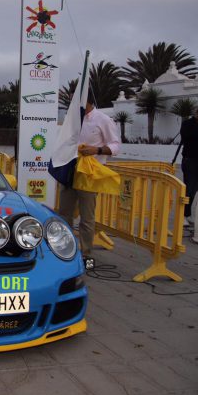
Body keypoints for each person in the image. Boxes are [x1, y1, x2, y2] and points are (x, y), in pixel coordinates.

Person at [57, 93, 121, 268]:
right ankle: (65, 252)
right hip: (70, 172)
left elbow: (116, 146)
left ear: (88, 101)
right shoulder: (72, 119)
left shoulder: (103, 119)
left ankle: (86, 255)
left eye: (77, 101)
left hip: (90, 176)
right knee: (64, 214)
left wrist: (97, 150)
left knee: (87, 217)